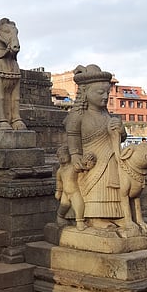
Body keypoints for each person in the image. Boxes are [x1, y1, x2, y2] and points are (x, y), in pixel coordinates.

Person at [64, 64, 126, 230]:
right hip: (93, 161)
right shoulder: (78, 116)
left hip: (112, 159)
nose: (105, 96)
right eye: (100, 93)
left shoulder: (107, 115)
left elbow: (121, 138)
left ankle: (116, 215)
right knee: (99, 189)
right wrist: (75, 155)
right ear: (85, 93)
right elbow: (73, 137)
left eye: (107, 92)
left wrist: (120, 130)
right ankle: (95, 217)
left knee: (114, 189)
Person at [55, 145, 96, 230]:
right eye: (59, 156)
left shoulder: (73, 167)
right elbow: (59, 181)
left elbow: (82, 167)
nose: (62, 158)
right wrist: (58, 191)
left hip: (74, 191)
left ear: (69, 155)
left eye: (64, 155)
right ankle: (60, 217)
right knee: (63, 206)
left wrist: (88, 164)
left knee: (79, 205)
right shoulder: (59, 171)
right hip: (65, 193)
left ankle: (80, 222)